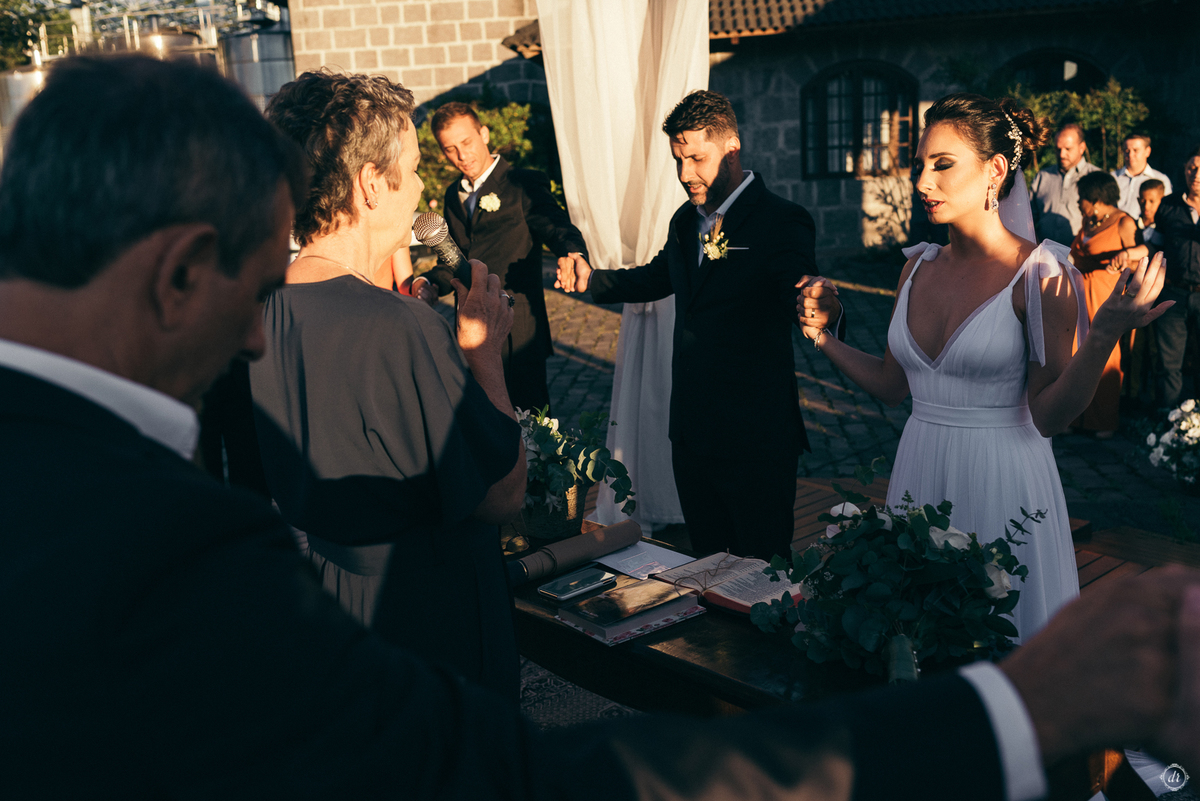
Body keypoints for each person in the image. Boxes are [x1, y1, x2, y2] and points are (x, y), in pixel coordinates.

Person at [3, 54, 1200, 801]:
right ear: (179, 272)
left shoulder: (93, 491)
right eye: (262, 277)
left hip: (803, 435)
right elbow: (524, 776)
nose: (267, 330)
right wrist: (1015, 714)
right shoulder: (168, 561)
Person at [802, 93, 1172, 641]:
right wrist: (822, 337)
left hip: (1003, 479)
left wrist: (1102, 337)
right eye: (920, 165)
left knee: (1000, 638)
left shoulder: (1040, 274)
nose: (922, 182)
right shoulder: (916, 268)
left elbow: (1050, 416)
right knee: (916, 634)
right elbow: (892, 385)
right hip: (920, 468)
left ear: (995, 170)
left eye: (942, 165)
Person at [251, 71, 526, 700]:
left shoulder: (264, 309)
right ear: (372, 183)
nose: (424, 186)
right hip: (424, 618)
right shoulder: (400, 329)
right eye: (415, 166)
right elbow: (501, 494)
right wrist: (482, 353)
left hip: (332, 605)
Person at [554, 90, 844, 560]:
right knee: (705, 563)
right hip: (691, 432)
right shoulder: (684, 221)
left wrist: (818, 301)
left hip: (754, 435)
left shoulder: (783, 220)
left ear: (732, 147)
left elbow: (799, 284)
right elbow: (658, 276)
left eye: (696, 158)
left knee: (761, 568)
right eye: (678, 160)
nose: (685, 173)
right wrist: (593, 280)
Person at [413, 102, 591, 414]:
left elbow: (555, 224)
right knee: (484, 422)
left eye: (466, 142)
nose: (462, 155)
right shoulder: (452, 195)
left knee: (531, 422)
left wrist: (572, 252)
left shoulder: (523, 182)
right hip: (470, 329)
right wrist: (427, 282)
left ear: (483, 133)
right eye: (450, 149)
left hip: (517, 328)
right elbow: (455, 259)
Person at [1069, 171, 1143, 437]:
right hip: (1079, 297)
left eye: (1081, 197)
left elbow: (1139, 259)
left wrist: (1123, 259)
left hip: (1105, 297)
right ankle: (1074, 418)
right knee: (1075, 355)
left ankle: (1103, 421)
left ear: (1095, 198)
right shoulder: (1088, 222)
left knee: (1105, 356)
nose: (1078, 203)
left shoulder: (1123, 222)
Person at [1152, 145, 1200, 409]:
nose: (1196, 174)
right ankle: (1167, 422)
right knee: (1168, 363)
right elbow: (1155, 247)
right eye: (1192, 168)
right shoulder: (1168, 205)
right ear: (1184, 169)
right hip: (1174, 293)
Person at [1030, 123, 1101, 245]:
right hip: (1043, 251)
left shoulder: (1097, 177)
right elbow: (1029, 217)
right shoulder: (1043, 176)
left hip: (1080, 253)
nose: (1062, 154)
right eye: (1058, 149)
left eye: (1068, 149)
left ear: (1082, 147)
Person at [1113, 134, 1173, 220]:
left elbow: (1167, 212)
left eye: (1135, 150)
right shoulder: (1112, 178)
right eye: (1127, 150)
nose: (1130, 155)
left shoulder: (1161, 180)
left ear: (1147, 151)